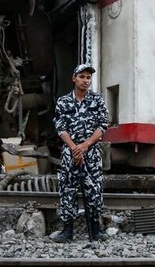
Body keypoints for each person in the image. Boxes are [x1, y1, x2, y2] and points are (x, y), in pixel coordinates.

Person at [52, 63, 109, 243]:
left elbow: (102, 126)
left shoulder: (97, 100)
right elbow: (60, 127)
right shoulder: (63, 101)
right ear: (74, 78)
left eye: (88, 77)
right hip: (70, 153)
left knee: (94, 190)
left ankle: (96, 229)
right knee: (67, 190)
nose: (86, 81)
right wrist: (74, 148)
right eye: (82, 76)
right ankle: (67, 231)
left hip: (91, 153)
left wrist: (84, 146)